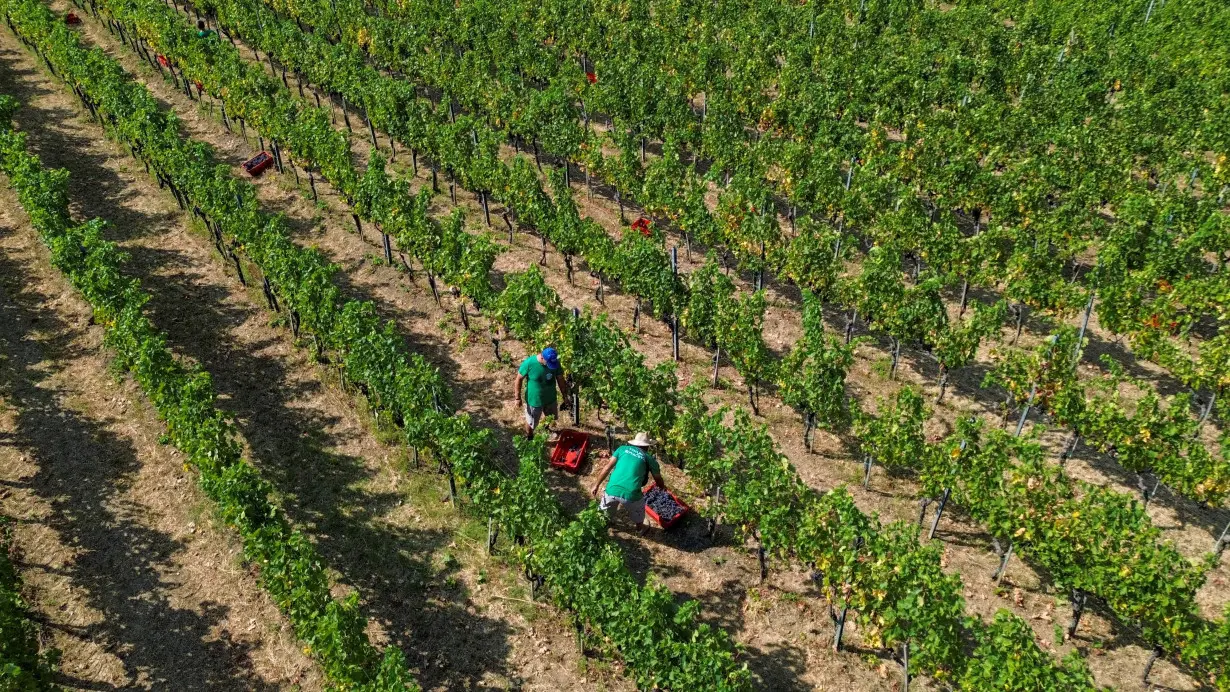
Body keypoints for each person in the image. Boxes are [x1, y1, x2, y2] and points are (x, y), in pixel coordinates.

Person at [590, 432, 665, 535]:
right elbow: (658, 479)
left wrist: (596, 484)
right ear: (647, 446)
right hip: (631, 495)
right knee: (638, 510)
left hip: (611, 490)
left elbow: (607, 467)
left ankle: (602, 526)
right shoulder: (650, 459)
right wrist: (662, 488)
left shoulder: (621, 449)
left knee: (604, 514)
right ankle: (639, 529)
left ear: (634, 443)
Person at [515, 347, 569, 437]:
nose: (551, 365)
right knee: (531, 422)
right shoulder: (529, 363)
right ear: (542, 357)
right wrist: (517, 398)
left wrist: (565, 396)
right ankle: (529, 437)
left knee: (550, 418)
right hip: (535, 401)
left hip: (550, 398)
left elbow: (560, 379)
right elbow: (518, 379)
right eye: (549, 363)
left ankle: (546, 429)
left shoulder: (554, 363)